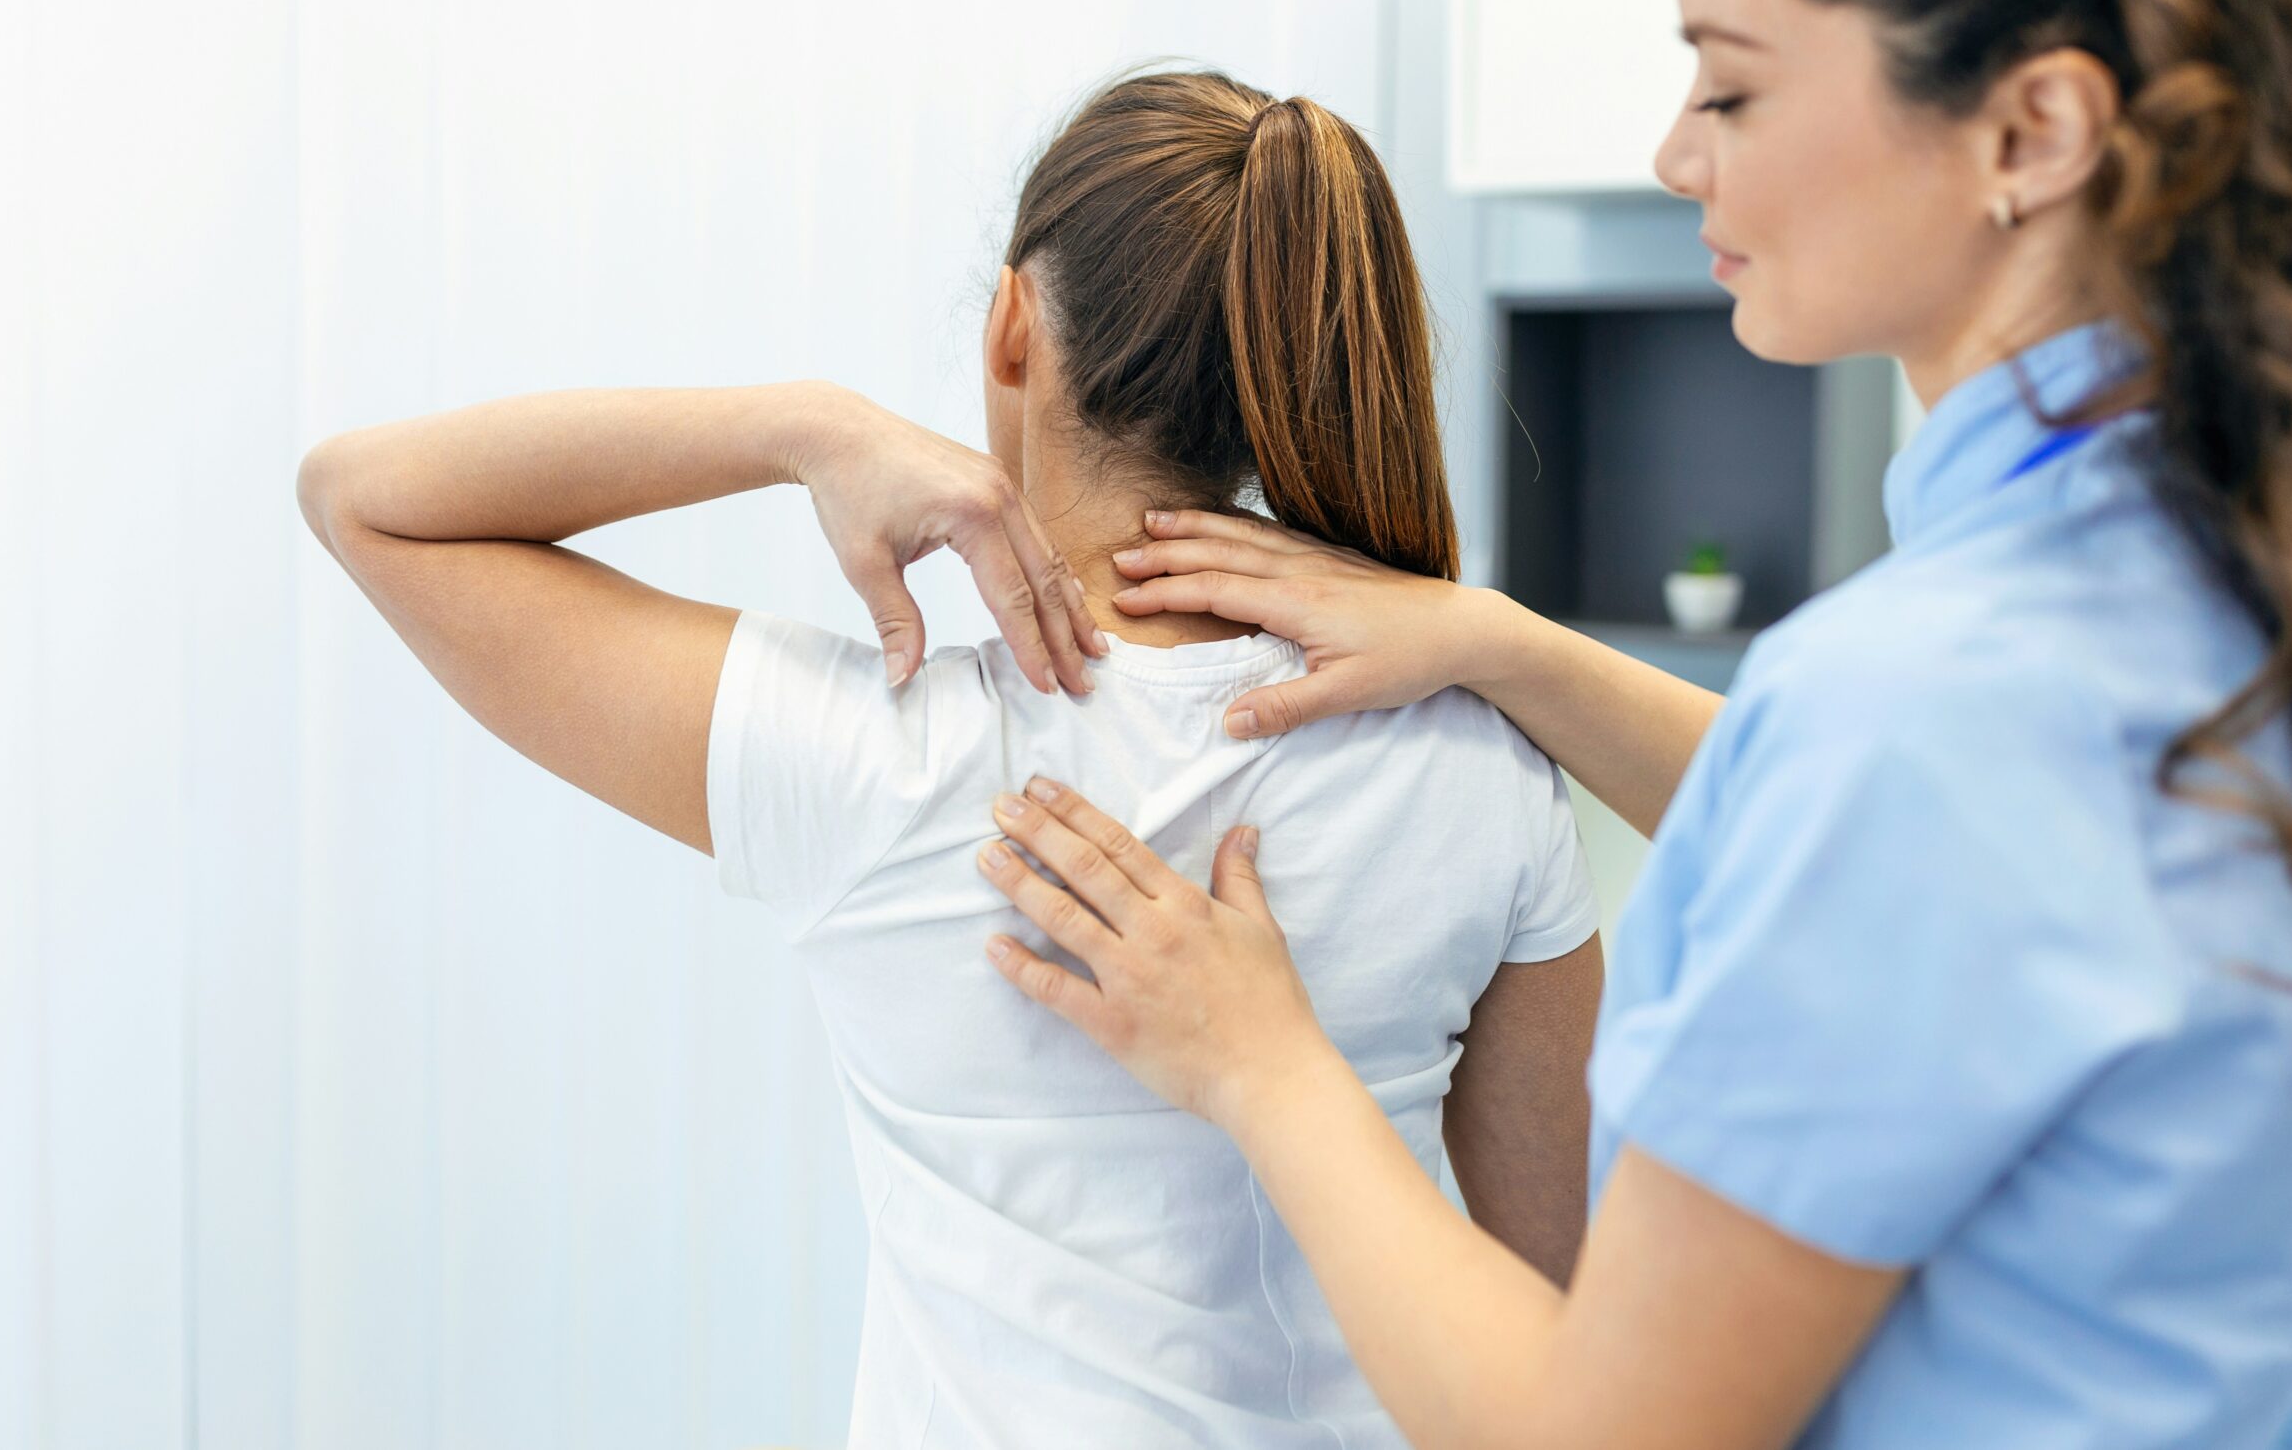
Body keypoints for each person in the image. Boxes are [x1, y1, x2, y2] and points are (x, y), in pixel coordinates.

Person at [971, 0, 2292, 1446]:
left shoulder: (1916, 715)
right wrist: (1492, 640)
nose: (1677, 152)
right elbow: (1960, 879)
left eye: (1733, 86)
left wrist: (1258, 1065)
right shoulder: (2255, 590)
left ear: (2032, 129)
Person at [293, 70, 1606, 1447]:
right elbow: (1555, 1313)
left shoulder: (879, 757)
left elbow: (366, 501)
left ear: (1013, 330)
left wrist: (804, 427)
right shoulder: (1488, 760)